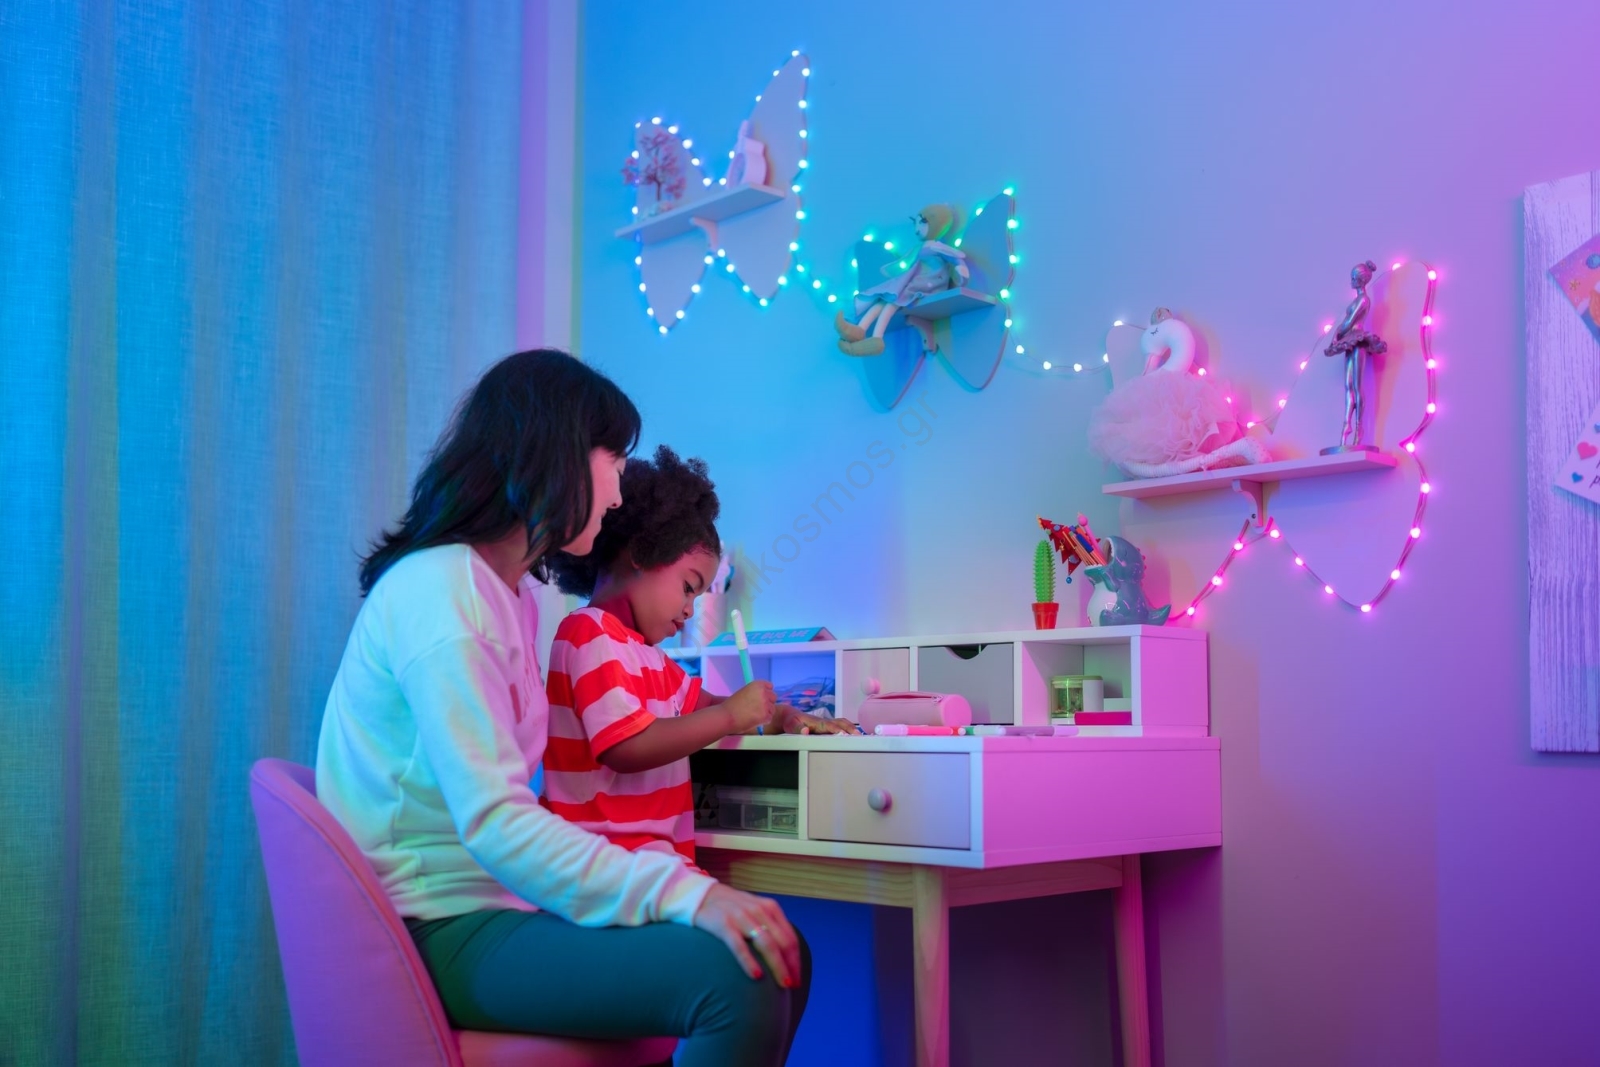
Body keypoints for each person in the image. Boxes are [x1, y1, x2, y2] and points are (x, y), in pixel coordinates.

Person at [315, 350, 810, 1065]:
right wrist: (686, 895)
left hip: (492, 906)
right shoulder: (444, 594)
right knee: (742, 977)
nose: (618, 494)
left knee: (782, 954)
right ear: (559, 453)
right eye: (614, 460)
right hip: (440, 925)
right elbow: (496, 822)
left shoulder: (508, 597)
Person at [542, 445, 855, 871]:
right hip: (603, 862)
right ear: (643, 552)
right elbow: (626, 746)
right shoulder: (589, 633)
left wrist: (780, 715)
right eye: (688, 587)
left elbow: (705, 706)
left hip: (648, 863)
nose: (690, 610)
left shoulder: (650, 658)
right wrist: (729, 715)